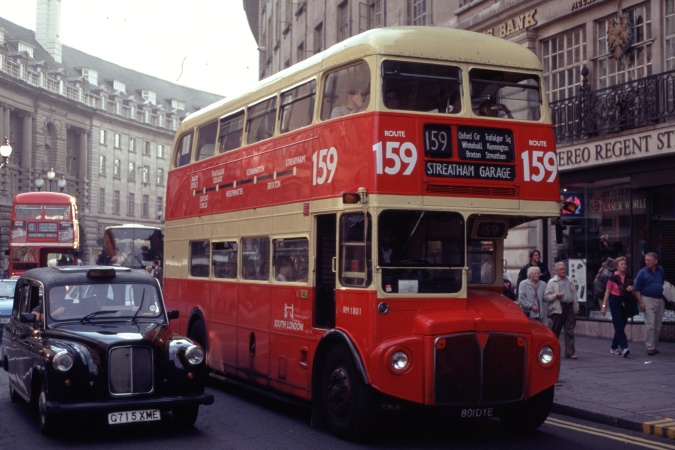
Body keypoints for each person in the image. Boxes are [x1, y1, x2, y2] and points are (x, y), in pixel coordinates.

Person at [633, 252, 666, 356]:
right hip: (647, 299)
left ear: (656, 261)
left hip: (660, 300)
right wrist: (641, 303)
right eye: (646, 260)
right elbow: (636, 289)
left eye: (649, 260)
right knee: (650, 324)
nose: (647, 262)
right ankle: (649, 347)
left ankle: (654, 345)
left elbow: (663, 282)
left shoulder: (660, 270)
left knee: (658, 325)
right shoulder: (642, 273)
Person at [545, 261, 579, 359]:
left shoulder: (570, 280)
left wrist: (576, 307)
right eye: (561, 269)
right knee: (556, 331)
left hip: (569, 307)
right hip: (558, 308)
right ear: (556, 271)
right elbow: (546, 297)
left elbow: (574, 295)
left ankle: (570, 353)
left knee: (570, 331)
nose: (563, 271)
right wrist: (556, 295)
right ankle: (552, 351)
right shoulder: (552, 282)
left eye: (564, 269)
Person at [600, 256, 633, 357]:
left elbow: (633, 288)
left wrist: (631, 288)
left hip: (625, 301)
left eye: (624, 264)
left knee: (621, 325)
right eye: (621, 264)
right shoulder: (612, 278)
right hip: (615, 301)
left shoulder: (628, 277)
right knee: (618, 324)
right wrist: (604, 306)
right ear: (617, 266)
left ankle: (613, 347)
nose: (624, 266)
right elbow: (607, 292)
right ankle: (624, 348)